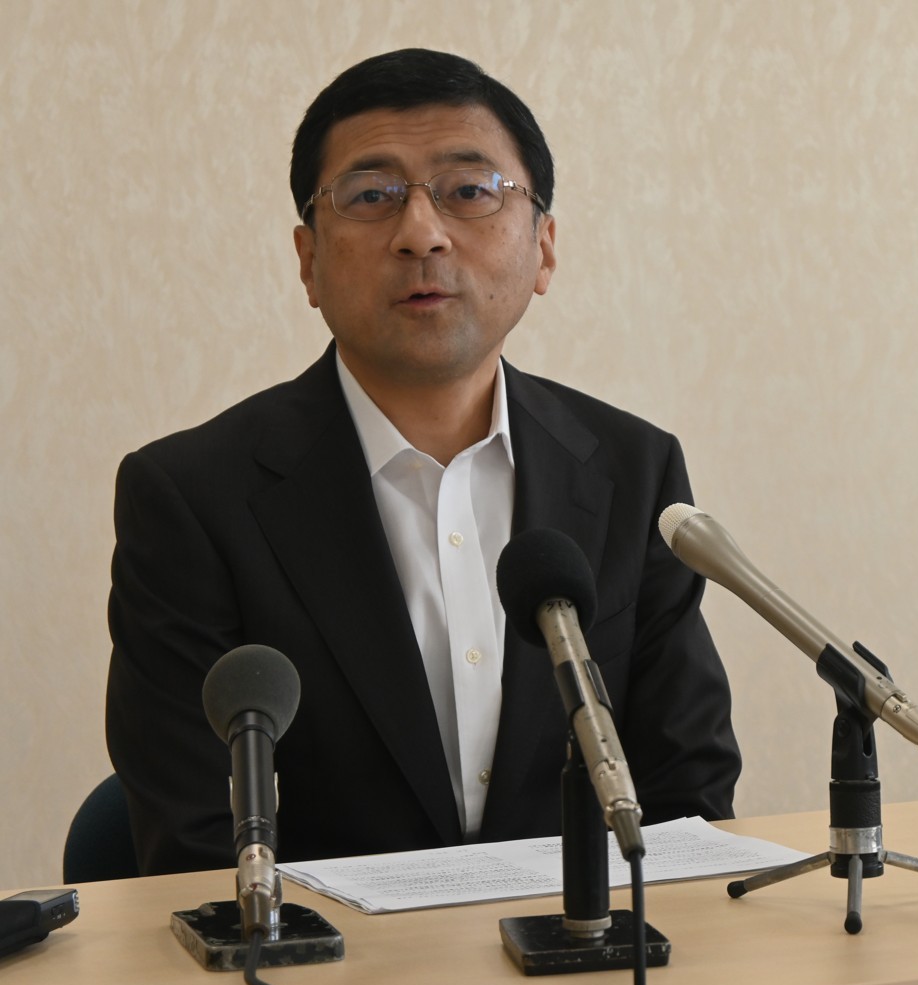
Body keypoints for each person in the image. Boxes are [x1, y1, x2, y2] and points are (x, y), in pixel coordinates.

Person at [105, 48, 740, 875]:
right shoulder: (193, 498)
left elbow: (688, 795)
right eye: (371, 196)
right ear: (308, 260)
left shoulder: (633, 470)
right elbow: (192, 844)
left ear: (544, 248)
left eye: (469, 191)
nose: (420, 233)